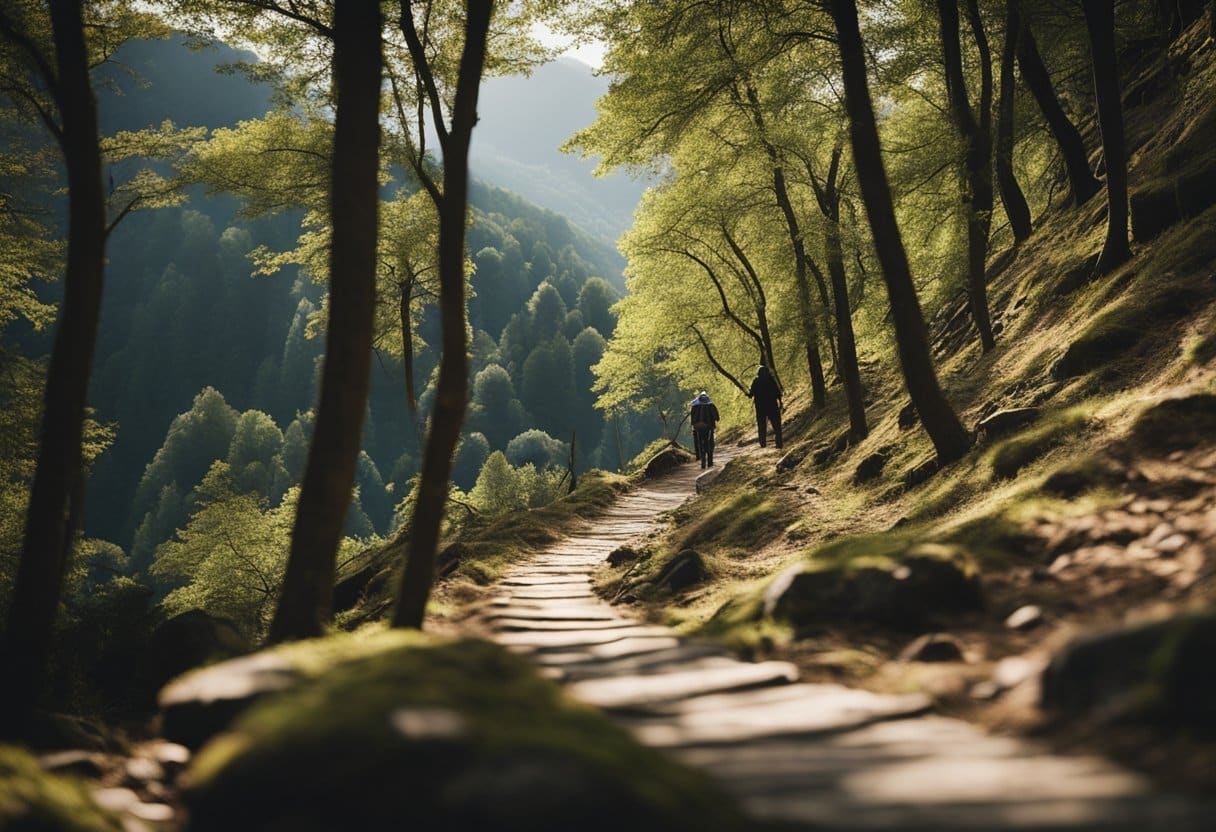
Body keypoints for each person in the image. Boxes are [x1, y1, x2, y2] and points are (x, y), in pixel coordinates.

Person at [747, 365, 782, 449]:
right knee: (776, 425)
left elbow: (751, 394)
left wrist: (748, 393)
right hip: (773, 406)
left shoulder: (756, 381)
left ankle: (762, 444)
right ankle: (779, 443)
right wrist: (780, 402)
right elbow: (778, 392)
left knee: (761, 425)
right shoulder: (771, 380)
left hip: (760, 407)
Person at [689, 390, 720, 468]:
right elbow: (717, 417)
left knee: (700, 443)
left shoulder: (694, 406)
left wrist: (694, 426)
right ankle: (710, 462)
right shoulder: (711, 405)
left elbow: (692, 419)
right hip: (709, 427)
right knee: (710, 443)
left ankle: (702, 461)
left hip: (698, 428)